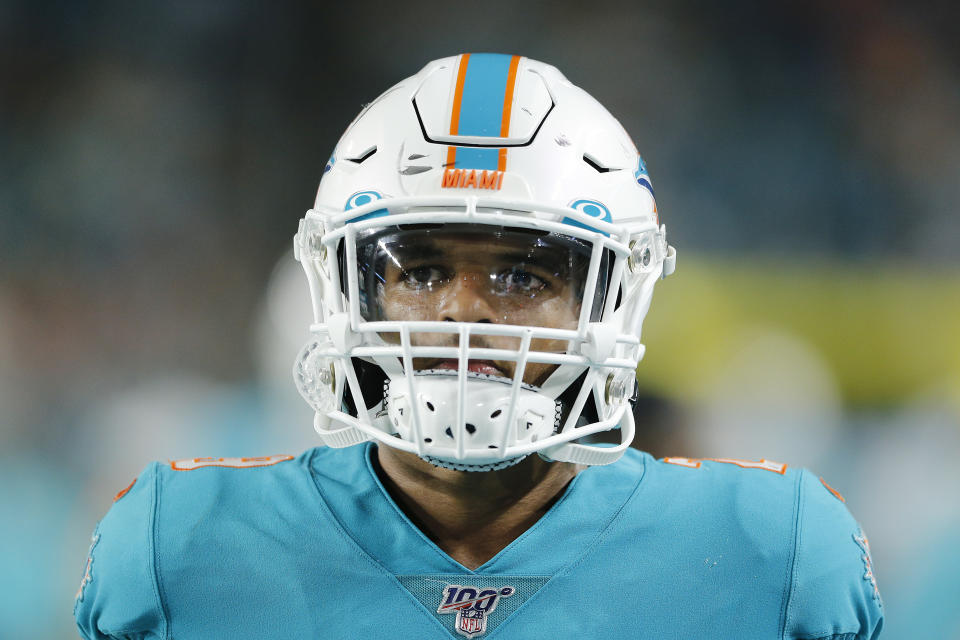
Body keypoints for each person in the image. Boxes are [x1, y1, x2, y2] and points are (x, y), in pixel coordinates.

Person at [75, 53, 883, 639]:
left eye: (524, 278)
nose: (466, 315)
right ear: (346, 288)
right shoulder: (181, 545)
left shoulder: (772, 551)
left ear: (613, 300)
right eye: (420, 270)